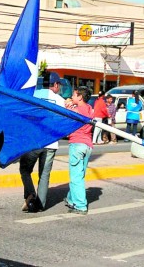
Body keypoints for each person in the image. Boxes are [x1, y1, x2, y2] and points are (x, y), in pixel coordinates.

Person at [19, 72, 64, 213]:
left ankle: (30, 195)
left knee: (25, 170)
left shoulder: (32, 95)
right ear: (55, 84)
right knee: (44, 175)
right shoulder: (60, 100)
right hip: (51, 143)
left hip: (33, 141)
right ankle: (40, 204)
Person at [63, 86, 94, 215]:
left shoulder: (76, 110)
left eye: (74, 95)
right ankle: (71, 199)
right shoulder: (89, 109)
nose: (72, 97)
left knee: (76, 177)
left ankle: (80, 206)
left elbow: (66, 115)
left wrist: (67, 105)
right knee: (79, 175)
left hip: (77, 143)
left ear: (80, 97)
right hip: (88, 145)